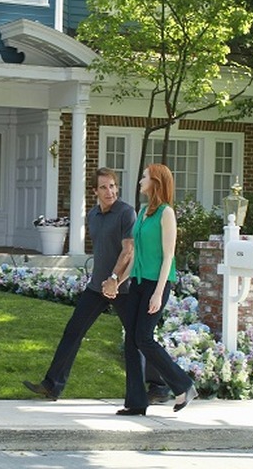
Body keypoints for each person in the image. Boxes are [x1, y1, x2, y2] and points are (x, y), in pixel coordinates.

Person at [23, 167, 167, 401]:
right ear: (95, 191)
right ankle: (52, 385)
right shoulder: (93, 216)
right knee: (73, 330)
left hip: (124, 287)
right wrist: (103, 281)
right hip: (97, 286)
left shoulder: (126, 213)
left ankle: (158, 387)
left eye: (112, 186)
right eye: (103, 187)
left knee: (137, 337)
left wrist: (114, 280)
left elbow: (128, 251)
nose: (109, 191)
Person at [116, 164, 197, 416]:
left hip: (156, 283)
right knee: (132, 339)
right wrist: (117, 282)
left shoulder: (166, 213)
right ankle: (136, 402)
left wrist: (158, 292)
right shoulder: (142, 212)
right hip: (138, 282)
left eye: (144, 177)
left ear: (156, 183)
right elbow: (137, 254)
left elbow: (168, 257)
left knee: (143, 337)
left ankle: (183, 384)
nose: (140, 181)